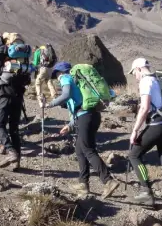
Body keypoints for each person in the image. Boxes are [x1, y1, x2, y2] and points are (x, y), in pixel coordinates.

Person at [46, 61, 119, 199]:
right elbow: (78, 105)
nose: (57, 78)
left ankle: (108, 180)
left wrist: (50, 104)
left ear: (60, 72)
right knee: (80, 150)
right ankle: (83, 184)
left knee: (88, 150)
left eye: (57, 75)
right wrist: (70, 125)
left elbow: (66, 95)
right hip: (91, 116)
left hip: (85, 117)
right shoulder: (77, 83)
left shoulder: (66, 77)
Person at [126, 58, 162, 210]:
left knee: (134, 155)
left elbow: (144, 108)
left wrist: (135, 130)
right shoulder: (159, 80)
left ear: (139, 69)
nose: (134, 76)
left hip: (156, 125)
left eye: (134, 72)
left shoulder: (145, 82)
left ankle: (146, 191)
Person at [0, 36, 32, 170]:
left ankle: (11, 152)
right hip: (18, 95)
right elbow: (28, 81)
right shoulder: (25, 60)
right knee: (14, 128)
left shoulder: (6, 53)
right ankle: (17, 162)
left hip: (4, 93)